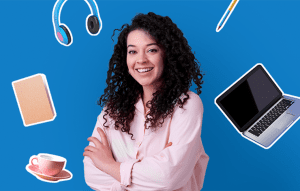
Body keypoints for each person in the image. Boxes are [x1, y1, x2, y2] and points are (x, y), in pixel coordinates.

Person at [83, 12, 209, 191]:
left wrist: (110, 166)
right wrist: (147, 175)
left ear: (167, 54)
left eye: (151, 50)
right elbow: (92, 172)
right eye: (132, 51)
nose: (141, 60)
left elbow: (169, 177)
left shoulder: (187, 104)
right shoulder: (112, 111)